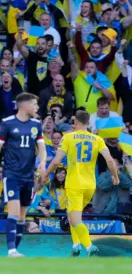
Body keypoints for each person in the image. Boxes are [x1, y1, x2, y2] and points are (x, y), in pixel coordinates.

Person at [44, 110, 119, 257]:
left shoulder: (68, 137)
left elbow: (56, 162)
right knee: (72, 213)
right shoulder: (97, 139)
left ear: (76, 122)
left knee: (75, 218)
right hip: (90, 186)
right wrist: (115, 176)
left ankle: (89, 246)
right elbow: (110, 160)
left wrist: (45, 175)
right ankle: (76, 245)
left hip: (74, 184)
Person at [0, 92, 47, 257]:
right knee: (14, 212)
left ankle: (14, 251)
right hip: (12, 174)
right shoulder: (7, 123)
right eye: (35, 105)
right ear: (25, 107)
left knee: (22, 216)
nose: (37, 108)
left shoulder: (36, 124)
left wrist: (43, 162)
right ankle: (11, 250)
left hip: (28, 175)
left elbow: (42, 148)